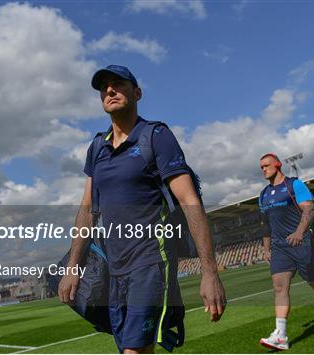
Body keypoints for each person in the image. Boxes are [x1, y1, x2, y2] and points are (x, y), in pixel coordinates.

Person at [58, 65, 226, 353]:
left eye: (118, 84)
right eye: (104, 88)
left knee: (134, 351)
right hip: (114, 270)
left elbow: (189, 202)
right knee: (129, 348)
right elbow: (87, 209)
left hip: (151, 262)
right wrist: (72, 268)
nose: (109, 90)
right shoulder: (97, 147)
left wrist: (209, 271)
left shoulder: (156, 136)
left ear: (137, 92)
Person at [258, 153, 314, 350]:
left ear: (277, 165)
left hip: (302, 243)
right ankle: (281, 336)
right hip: (280, 248)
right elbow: (265, 224)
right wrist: (266, 248)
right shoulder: (263, 194)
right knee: (279, 287)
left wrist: (299, 232)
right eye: (261, 167)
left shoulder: (294, 185)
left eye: (266, 165)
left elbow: (309, 210)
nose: (263, 170)